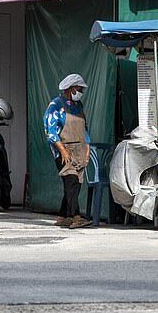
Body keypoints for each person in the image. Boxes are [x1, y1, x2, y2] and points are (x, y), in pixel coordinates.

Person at [43, 74, 93, 229]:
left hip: (80, 149)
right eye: (79, 89)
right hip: (63, 149)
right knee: (70, 180)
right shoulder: (55, 106)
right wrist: (63, 152)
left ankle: (63, 216)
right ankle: (76, 217)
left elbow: (84, 128)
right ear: (71, 89)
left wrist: (87, 148)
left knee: (75, 184)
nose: (81, 92)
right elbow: (50, 131)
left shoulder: (78, 106)